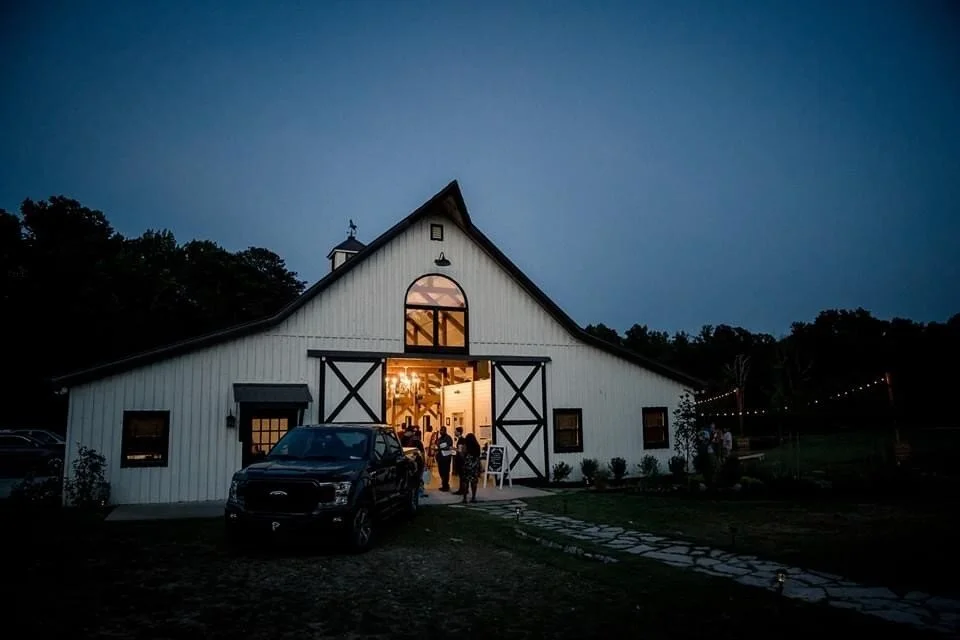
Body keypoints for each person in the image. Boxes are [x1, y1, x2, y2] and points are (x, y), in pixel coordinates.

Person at [460, 433, 482, 504]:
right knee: (474, 482)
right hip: (474, 466)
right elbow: (478, 456)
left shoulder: (465, 446)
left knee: (465, 482)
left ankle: (465, 498)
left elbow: (462, 455)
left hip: (467, 466)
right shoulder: (477, 446)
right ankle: (473, 497)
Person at [435, 426, 454, 491]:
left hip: (446, 457)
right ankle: (443, 484)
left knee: (445, 472)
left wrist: (441, 448)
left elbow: (449, 446)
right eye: (440, 430)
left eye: (442, 430)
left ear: (445, 431)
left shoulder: (448, 438)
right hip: (440, 457)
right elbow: (437, 445)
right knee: (441, 472)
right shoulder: (439, 438)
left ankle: (446, 485)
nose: (441, 432)